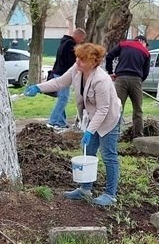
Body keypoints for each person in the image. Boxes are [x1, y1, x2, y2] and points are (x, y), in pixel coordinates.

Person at [25, 42, 121, 207]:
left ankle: (110, 194)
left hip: (109, 119)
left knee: (108, 155)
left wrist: (90, 131)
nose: (77, 62)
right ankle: (85, 189)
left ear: (93, 62)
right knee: (88, 152)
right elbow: (59, 82)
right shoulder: (77, 69)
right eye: (77, 58)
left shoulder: (101, 80)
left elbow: (103, 109)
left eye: (82, 60)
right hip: (92, 117)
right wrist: (39, 88)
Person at [104, 34, 150, 138]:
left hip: (120, 79)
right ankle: (138, 136)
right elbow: (146, 72)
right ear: (143, 42)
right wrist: (139, 80)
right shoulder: (146, 52)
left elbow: (109, 56)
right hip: (136, 80)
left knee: (117, 108)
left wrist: (110, 72)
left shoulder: (123, 44)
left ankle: (114, 134)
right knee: (138, 110)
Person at [47, 26, 87, 129]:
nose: (82, 41)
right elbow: (71, 61)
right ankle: (53, 121)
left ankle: (61, 122)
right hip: (62, 74)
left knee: (62, 98)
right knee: (63, 98)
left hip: (58, 72)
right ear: (78, 36)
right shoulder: (70, 44)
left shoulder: (64, 42)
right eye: (82, 38)